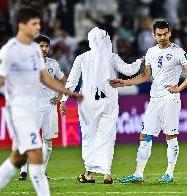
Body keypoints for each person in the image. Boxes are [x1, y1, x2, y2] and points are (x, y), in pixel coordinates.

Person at [0, 6, 83, 196]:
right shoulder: (9, 50)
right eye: (34, 24)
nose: (38, 27)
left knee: (18, 157)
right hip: (19, 110)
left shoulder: (35, 53)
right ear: (22, 24)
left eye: (39, 23)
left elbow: (46, 79)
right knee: (36, 152)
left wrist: (69, 93)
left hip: (35, 107)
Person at [110, 20, 187, 183]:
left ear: (169, 33)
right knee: (145, 136)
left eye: (165, 34)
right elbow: (145, 76)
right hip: (155, 98)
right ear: (154, 35)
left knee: (170, 136)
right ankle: (138, 174)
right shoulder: (151, 52)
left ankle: (169, 173)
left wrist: (179, 88)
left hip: (170, 98)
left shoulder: (178, 51)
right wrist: (125, 82)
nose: (162, 37)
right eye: (159, 34)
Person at [59, 27, 142, 184]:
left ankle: (89, 173)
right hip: (108, 102)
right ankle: (106, 174)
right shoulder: (111, 57)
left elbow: (72, 82)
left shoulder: (82, 58)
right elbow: (129, 70)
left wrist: (64, 99)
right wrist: (141, 61)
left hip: (88, 104)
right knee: (107, 136)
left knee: (89, 136)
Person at [19, 34, 67, 181]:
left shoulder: (53, 64)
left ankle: (41, 171)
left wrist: (59, 97)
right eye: (41, 46)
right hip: (32, 106)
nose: (44, 48)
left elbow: (65, 81)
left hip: (49, 105)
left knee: (47, 141)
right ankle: (23, 170)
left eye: (46, 46)